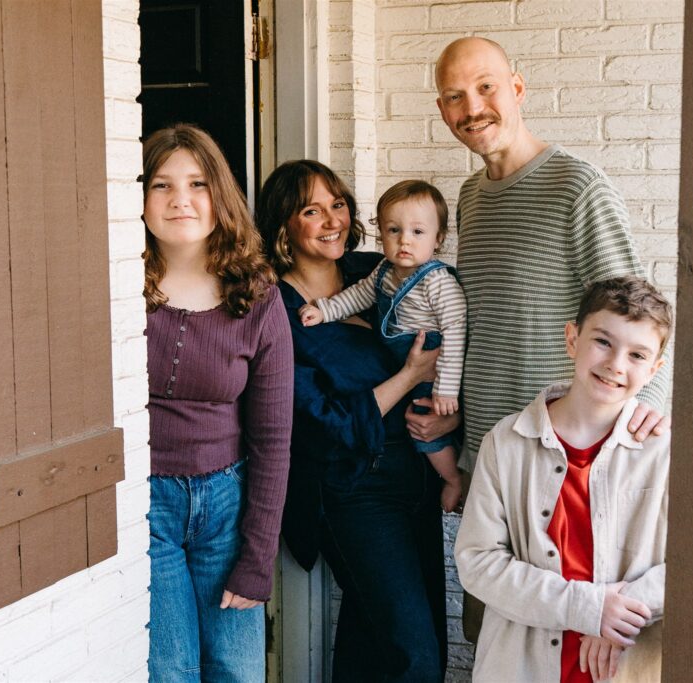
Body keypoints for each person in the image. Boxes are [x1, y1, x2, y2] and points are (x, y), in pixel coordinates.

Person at [416, 35, 673, 642]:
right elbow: (487, 323)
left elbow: (636, 321)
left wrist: (646, 416)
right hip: (491, 462)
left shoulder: (578, 188)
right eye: (454, 96)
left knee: (580, 651)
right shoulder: (472, 197)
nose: (471, 106)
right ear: (442, 109)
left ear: (518, 89)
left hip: (569, 470)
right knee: (495, 642)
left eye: (486, 87)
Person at [256, 160, 451, 683]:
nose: (331, 220)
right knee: (415, 656)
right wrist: (410, 375)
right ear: (283, 228)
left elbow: (454, 320)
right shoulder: (274, 309)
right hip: (354, 487)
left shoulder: (380, 272)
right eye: (311, 210)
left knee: (382, 635)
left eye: (337, 204)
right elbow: (326, 425)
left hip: (418, 474)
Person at [455, 276, 672, 683]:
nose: (616, 365)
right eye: (603, 342)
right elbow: (478, 562)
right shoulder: (506, 442)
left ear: (656, 369)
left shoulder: (665, 451)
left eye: (638, 355)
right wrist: (586, 608)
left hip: (625, 665)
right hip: (521, 666)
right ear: (572, 338)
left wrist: (619, 612)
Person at [142, 124, 293, 682]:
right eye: (161, 184)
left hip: (226, 505)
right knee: (170, 670)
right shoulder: (119, 287)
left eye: (198, 183)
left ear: (220, 196)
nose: (180, 198)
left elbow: (274, 441)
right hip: (145, 505)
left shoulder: (256, 296)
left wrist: (258, 559)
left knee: (236, 669)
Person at [296, 180, 467, 512]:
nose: (404, 240)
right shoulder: (383, 271)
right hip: (405, 360)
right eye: (394, 230)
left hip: (436, 357)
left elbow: (456, 332)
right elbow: (357, 296)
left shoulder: (439, 282)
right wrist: (325, 310)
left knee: (425, 425)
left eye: (418, 232)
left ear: (439, 239)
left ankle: (452, 478)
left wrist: (446, 388)